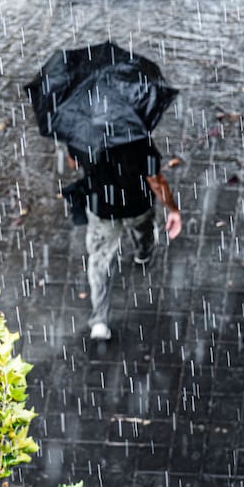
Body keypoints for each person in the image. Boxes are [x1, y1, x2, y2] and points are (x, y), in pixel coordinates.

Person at [63, 137, 182, 341]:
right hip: (138, 204)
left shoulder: (80, 133)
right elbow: (155, 180)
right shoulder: (136, 137)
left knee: (100, 260)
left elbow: (73, 164)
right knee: (142, 230)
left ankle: (100, 321)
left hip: (102, 208)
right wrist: (173, 209)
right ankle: (143, 254)